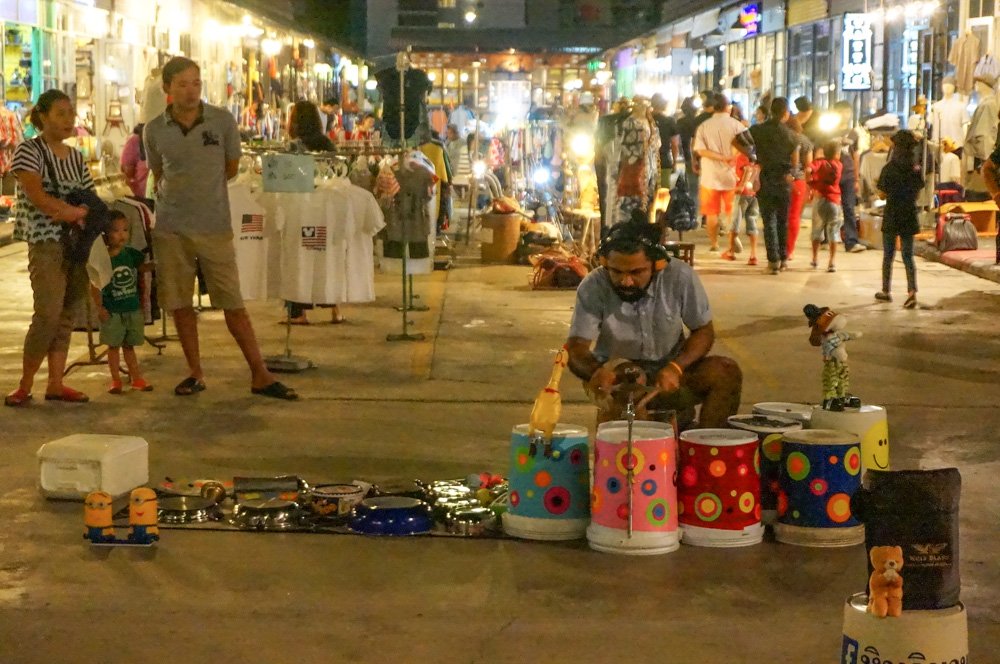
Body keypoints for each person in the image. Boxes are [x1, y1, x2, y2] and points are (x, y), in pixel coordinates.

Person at [144, 56, 297, 400]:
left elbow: (230, 168)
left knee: (232, 302)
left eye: (196, 83)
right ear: (167, 88)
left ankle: (260, 372)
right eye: (182, 84)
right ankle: (194, 372)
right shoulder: (154, 130)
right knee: (181, 303)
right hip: (171, 229)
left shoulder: (222, 121)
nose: (190, 90)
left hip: (214, 225)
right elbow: (159, 173)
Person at [565, 224, 742, 429]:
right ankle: (637, 445)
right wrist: (596, 372)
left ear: (657, 265)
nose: (627, 281)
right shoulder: (592, 286)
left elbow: (703, 331)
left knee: (725, 372)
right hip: (618, 375)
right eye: (616, 271)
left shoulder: (680, 277)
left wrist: (676, 367)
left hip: (670, 371)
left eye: (636, 272)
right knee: (631, 380)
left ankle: (707, 450)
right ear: (605, 263)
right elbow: (576, 347)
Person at [4, 90, 92, 407]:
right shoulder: (29, 151)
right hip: (46, 241)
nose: (68, 119)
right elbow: (37, 196)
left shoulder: (77, 156)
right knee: (48, 313)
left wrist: (81, 212)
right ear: (43, 117)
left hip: (76, 243)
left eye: (71, 113)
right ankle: (25, 384)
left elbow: (88, 195)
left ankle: (56, 382)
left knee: (67, 313)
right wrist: (70, 212)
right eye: (60, 113)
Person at [283, 100, 342, 326]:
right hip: (325, 208)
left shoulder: (293, 147)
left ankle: (298, 313)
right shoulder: (327, 143)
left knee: (297, 259)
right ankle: (335, 309)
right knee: (326, 257)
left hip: (300, 208)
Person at [90, 212, 153, 394]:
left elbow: (142, 268)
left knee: (129, 346)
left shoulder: (131, 254)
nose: (122, 234)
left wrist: (157, 265)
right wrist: (99, 307)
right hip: (112, 311)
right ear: (105, 234)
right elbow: (94, 285)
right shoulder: (101, 258)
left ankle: (137, 378)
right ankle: (115, 380)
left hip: (131, 308)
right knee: (113, 346)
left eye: (125, 230)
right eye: (116, 231)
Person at [693, 93, 750, 252]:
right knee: (730, 211)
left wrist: (719, 157)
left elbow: (700, 150)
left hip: (709, 175)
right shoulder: (737, 126)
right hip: (731, 175)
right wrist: (731, 156)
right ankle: (732, 242)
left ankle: (714, 243)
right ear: (728, 107)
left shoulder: (704, 126)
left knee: (711, 213)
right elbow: (748, 147)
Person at [875, 130, 924, 309]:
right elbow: (917, 194)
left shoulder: (889, 168)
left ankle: (886, 291)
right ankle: (912, 293)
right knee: (908, 256)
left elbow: (881, 194)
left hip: (892, 213)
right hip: (909, 214)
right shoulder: (915, 169)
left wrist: (877, 187)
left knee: (888, 255)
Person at [748, 97, 797, 274]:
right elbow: (795, 158)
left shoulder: (757, 130)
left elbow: (738, 141)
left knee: (768, 220)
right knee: (783, 221)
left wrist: (753, 158)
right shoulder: (790, 134)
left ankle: (773, 262)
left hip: (765, 177)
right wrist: (792, 173)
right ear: (785, 113)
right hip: (783, 179)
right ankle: (784, 259)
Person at [833, 100, 866, 253]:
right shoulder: (828, 131)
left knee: (849, 207)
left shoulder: (854, 133)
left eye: (848, 112)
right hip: (831, 173)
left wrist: (856, 177)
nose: (845, 115)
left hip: (848, 174)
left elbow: (856, 155)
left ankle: (851, 241)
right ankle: (827, 237)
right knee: (829, 207)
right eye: (842, 112)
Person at [808, 141, 844, 273]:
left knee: (817, 230)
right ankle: (832, 262)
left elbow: (808, 169)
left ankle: (815, 258)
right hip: (834, 200)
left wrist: (811, 183)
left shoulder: (820, 162)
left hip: (820, 200)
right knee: (833, 231)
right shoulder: (839, 165)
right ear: (836, 153)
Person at [723, 147, 760, 266]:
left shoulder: (741, 156)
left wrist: (741, 186)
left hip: (742, 194)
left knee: (734, 222)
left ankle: (731, 251)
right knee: (752, 223)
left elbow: (747, 169)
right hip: (753, 194)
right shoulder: (754, 156)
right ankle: (753, 255)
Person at [785, 116, 813, 261]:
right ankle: (790, 250)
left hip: (781, 179)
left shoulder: (781, 138)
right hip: (799, 181)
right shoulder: (805, 141)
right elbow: (809, 166)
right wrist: (810, 185)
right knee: (795, 216)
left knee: (780, 215)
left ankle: (779, 248)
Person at [650, 93, 679, 191]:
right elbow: (675, 144)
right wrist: (674, 162)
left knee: (649, 192)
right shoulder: (669, 121)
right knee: (663, 193)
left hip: (648, 161)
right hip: (664, 160)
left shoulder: (647, 120)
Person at [120, 123, 149, 198]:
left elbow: (127, 172)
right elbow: (127, 172)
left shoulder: (135, 141)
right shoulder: (135, 141)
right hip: (145, 198)